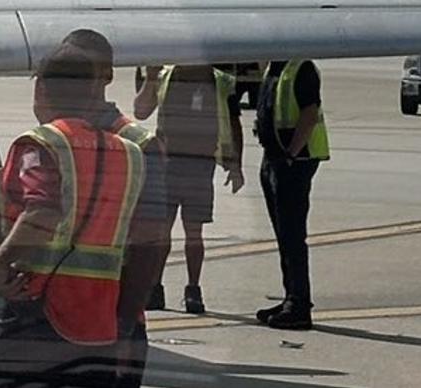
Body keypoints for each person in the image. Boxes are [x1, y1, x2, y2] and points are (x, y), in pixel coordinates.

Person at [0, 43, 163, 388]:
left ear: (40, 88)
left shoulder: (41, 143)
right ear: (95, 89)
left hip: (39, 309)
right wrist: (124, 326)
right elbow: (150, 240)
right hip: (100, 321)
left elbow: (45, 210)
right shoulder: (131, 153)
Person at [135, 63, 244, 315]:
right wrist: (150, 79)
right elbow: (141, 111)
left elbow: (233, 122)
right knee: (162, 232)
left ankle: (193, 289)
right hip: (167, 164)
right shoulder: (164, 76)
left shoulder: (219, 82)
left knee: (193, 233)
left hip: (200, 164)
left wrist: (234, 163)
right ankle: (155, 287)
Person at [255, 57, 327, 328]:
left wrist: (290, 154)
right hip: (273, 158)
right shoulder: (275, 67)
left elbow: (309, 113)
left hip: (293, 161)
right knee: (284, 234)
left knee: (293, 234)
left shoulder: (301, 67)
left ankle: (298, 304)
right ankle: (290, 297)